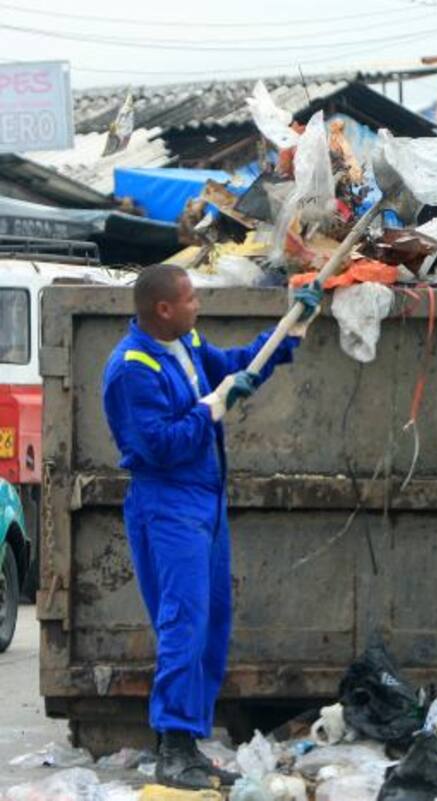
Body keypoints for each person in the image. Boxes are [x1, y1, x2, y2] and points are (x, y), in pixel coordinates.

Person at [101, 265, 322, 789]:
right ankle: (174, 744)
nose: (197, 305)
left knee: (213, 622)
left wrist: (290, 328)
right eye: (191, 298)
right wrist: (214, 406)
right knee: (185, 622)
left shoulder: (185, 343)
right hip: (168, 503)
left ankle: (189, 739)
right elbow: (158, 444)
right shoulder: (130, 369)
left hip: (206, 500)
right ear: (163, 309)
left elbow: (237, 367)